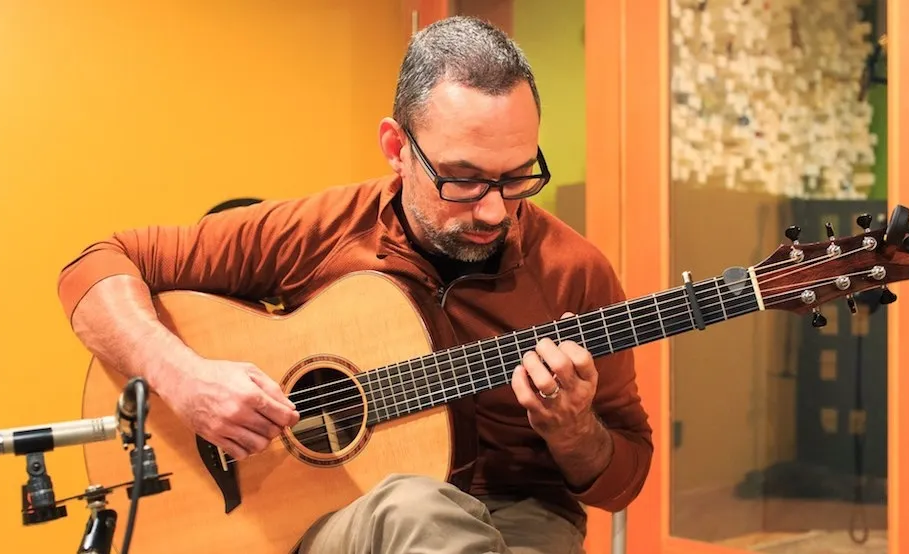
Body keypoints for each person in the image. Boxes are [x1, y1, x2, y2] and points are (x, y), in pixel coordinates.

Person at [56, 16, 652, 554]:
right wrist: (184, 378)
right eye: (464, 180)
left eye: (519, 177)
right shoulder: (320, 230)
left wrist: (575, 433)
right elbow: (94, 267)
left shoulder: (576, 271)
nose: (496, 211)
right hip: (334, 513)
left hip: (517, 514)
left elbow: (624, 479)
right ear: (397, 148)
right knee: (414, 509)